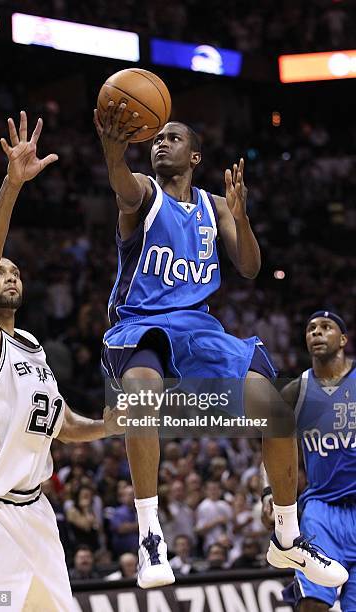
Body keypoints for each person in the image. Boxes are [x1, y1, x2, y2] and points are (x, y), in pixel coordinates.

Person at [93, 102, 347, 590]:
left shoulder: (213, 205)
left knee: (273, 409)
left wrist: (241, 215)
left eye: (173, 137)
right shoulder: (144, 194)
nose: (161, 142)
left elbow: (250, 267)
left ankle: (287, 539)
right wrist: (113, 152)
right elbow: (122, 187)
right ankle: (150, 536)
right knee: (142, 391)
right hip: (141, 324)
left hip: (200, 329)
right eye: (156, 138)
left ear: (195, 157)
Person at [0, 112, 122, 612]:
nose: (8, 273)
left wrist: (108, 426)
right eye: (0, 271)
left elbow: (61, 424)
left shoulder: (32, 345)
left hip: (37, 518)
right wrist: (12, 183)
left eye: (15, 269)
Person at [262, 311, 356, 612]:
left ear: (343, 339)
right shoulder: (296, 390)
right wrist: (268, 494)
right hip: (321, 510)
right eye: (311, 328)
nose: (316, 332)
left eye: (326, 327)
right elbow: (270, 447)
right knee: (312, 604)